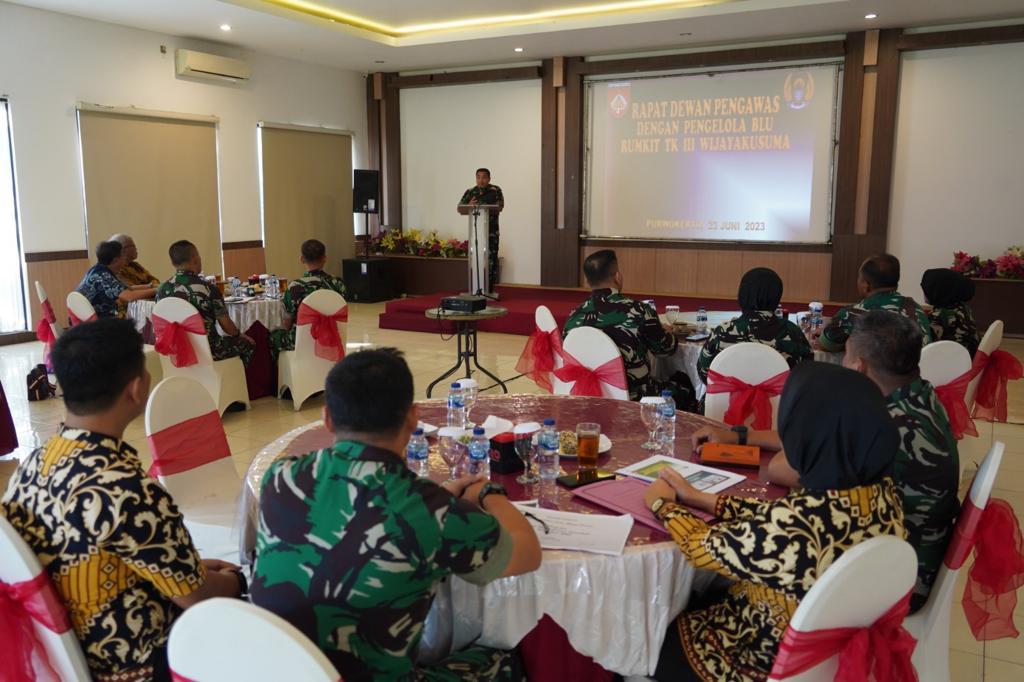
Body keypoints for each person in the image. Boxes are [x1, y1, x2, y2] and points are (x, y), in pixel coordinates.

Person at [251, 348, 541, 680]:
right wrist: (489, 494)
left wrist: (437, 501)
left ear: (327, 417)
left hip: (278, 671)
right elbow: (527, 553)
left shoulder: (281, 477)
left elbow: (353, 512)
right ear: (413, 418)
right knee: (504, 659)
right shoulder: (429, 509)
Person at [0, 319, 244, 682]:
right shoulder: (128, 489)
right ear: (137, 387)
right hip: (137, 663)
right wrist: (240, 581)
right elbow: (197, 597)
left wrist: (191, 569)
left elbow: (96, 552)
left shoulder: (33, 467)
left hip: (71, 651)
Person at [645, 362, 905, 681]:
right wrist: (704, 499)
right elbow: (777, 518)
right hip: (824, 653)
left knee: (645, 626)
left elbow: (699, 547)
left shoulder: (794, 524)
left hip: (755, 657)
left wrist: (663, 504)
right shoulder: (882, 495)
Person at [692, 310, 959, 612]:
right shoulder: (916, 398)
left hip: (885, 581)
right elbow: (820, 441)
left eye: (845, 356)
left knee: (716, 579)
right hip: (895, 552)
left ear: (858, 367)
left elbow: (782, 468)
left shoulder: (888, 427)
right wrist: (741, 436)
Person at [563, 249, 695, 407]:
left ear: (587, 281)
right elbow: (665, 350)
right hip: (635, 396)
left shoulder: (573, 317)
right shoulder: (639, 310)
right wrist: (667, 333)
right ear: (617, 276)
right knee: (685, 387)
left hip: (588, 397)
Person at [695, 267, 812, 385]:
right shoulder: (793, 332)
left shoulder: (722, 332)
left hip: (727, 397)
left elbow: (704, 373)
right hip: (782, 397)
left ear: (742, 295)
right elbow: (807, 374)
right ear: (777, 297)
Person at [156, 240, 255, 364]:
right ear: (195, 258)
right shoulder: (208, 289)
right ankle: (234, 375)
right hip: (208, 349)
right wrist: (239, 335)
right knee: (247, 344)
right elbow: (226, 326)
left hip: (175, 348)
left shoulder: (161, 290)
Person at [819, 253, 932, 352]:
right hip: (920, 369)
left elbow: (826, 344)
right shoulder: (915, 308)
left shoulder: (853, 313)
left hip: (881, 370)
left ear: (866, 285)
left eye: (859, 278)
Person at [268, 238, 347, 361]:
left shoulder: (296, 287)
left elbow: (287, 323)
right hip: (333, 334)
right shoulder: (338, 283)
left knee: (271, 337)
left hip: (302, 339)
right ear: (325, 258)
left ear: (302, 259)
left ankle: (282, 371)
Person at [75, 240, 156, 318]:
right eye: (123, 257)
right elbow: (128, 296)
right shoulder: (102, 276)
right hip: (95, 321)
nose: (125, 260)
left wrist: (151, 286)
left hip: (94, 317)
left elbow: (127, 289)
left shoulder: (99, 269)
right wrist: (157, 290)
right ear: (115, 260)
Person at [459, 167, 504, 295]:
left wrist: (485, 205)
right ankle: (475, 288)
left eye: (484, 177)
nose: (481, 180)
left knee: (491, 259)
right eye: (478, 177)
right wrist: (468, 205)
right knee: (475, 259)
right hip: (476, 233)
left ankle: (488, 289)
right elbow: (460, 207)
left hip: (491, 232)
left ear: (489, 179)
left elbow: (500, 206)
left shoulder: (495, 190)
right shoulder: (470, 192)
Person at [921, 267, 979, 357]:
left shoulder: (938, 316)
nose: (924, 293)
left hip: (952, 362)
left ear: (938, 290)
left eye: (927, 288)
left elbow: (922, 347)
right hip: (967, 359)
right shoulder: (961, 308)